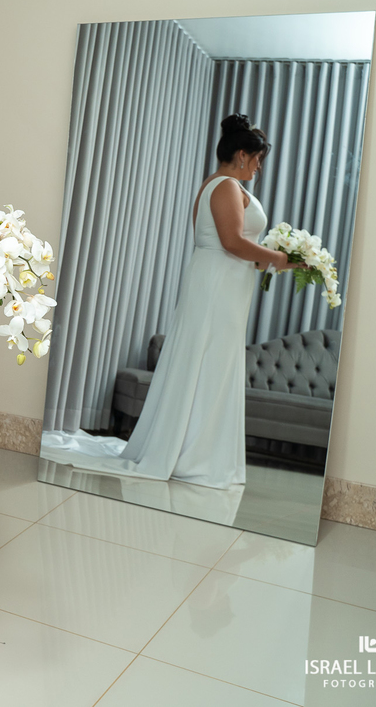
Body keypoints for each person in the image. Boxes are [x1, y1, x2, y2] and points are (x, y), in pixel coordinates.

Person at [38, 114, 307, 489]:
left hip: (223, 284)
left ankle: (195, 449)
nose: (259, 167)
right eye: (258, 159)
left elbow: (232, 243)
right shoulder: (227, 185)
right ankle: (191, 455)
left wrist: (266, 257)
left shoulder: (218, 184)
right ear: (243, 155)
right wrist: (277, 258)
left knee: (211, 363)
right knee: (206, 360)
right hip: (216, 286)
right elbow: (230, 241)